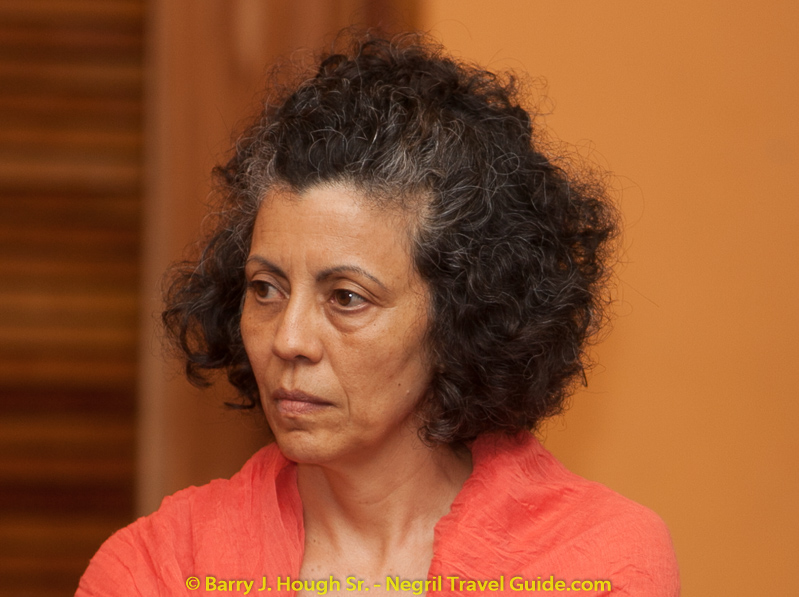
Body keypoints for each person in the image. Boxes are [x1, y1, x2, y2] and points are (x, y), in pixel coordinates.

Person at [77, 33, 679, 596]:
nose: (288, 339)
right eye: (265, 289)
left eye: (346, 298)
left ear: (461, 316)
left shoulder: (594, 562)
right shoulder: (160, 568)